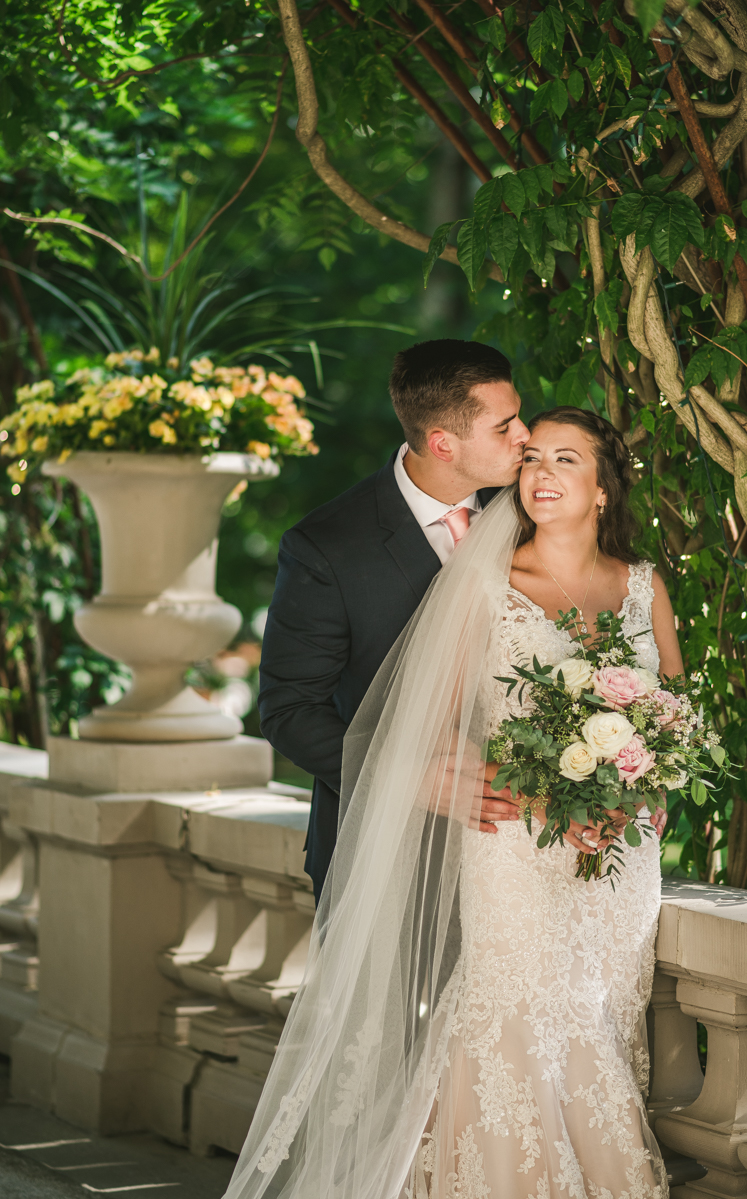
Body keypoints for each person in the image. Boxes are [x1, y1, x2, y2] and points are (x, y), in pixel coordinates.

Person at [227, 406, 679, 1199]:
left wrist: (643, 796)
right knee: (514, 1021)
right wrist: (551, 795)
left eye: (564, 460)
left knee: (598, 1025)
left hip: (618, 860)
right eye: (530, 455)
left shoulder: (645, 586)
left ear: (603, 488)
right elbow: (435, 731)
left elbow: (674, 722)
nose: (538, 472)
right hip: (512, 840)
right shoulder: (484, 584)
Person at [259, 338, 530, 903]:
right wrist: (409, 779)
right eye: (504, 427)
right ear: (443, 444)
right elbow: (289, 710)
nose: (525, 435)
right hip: (381, 858)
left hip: (524, 851)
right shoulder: (327, 546)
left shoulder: (533, 510)